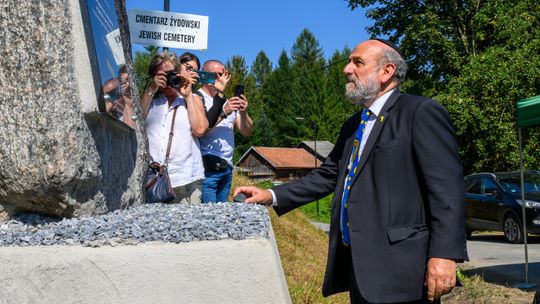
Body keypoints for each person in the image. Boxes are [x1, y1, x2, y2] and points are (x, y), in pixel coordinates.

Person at [234, 39, 468, 303]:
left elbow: (447, 189)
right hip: (360, 269)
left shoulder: (419, 112)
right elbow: (328, 175)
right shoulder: (353, 125)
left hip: (403, 270)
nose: (346, 69)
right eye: (349, 61)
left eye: (358, 62)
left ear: (387, 72)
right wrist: (271, 195)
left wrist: (444, 255)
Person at [141, 51, 207, 204]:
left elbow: (200, 130)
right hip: (153, 179)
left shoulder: (192, 98)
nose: (169, 79)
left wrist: (188, 95)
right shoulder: (149, 98)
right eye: (163, 75)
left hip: (186, 179)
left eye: (172, 74)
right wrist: (151, 89)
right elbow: (136, 122)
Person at [198, 60, 253, 203]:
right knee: (208, 216)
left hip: (227, 167)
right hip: (207, 168)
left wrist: (243, 112)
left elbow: (246, 131)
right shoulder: (197, 98)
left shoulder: (227, 101)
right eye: (217, 75)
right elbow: (200, 129)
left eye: (224, 75)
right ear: (206, 76)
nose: (222, 79)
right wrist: (223, 112)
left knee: (222, 215)